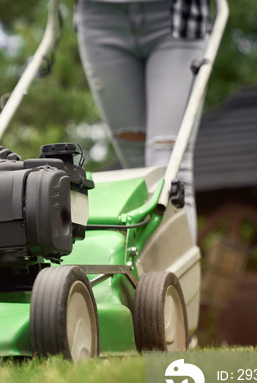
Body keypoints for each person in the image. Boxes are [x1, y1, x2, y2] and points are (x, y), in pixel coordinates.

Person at [76, 0, 214, 243]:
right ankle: (140, 276)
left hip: (177, 16)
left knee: (169, 174)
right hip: (98, 17)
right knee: (138, 177)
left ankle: (174, 278)